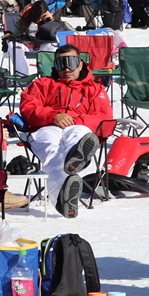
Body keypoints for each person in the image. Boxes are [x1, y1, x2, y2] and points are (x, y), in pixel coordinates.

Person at [18, 44, 109, 218]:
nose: (66, 68)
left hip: (78, 127)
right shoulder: (42, 84)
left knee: (80, 132)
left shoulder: (94, 89)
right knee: (52, 150)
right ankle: (66, 188)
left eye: (71, 62)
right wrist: (53, 116)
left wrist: (74, 120)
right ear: (55, 66)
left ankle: (76, 155)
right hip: (46, 127)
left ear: (80, 64)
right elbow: (28, 107)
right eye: (61, 63)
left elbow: (104, 116)